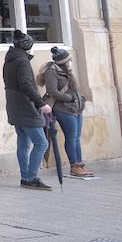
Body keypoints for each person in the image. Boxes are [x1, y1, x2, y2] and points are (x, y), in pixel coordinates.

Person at [3, 31, 53, 190]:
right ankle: (30, 177)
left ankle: (26, 177)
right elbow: (26, 85)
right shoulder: (22, 61)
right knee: (41, 143)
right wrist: (40, 103)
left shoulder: (10, 60)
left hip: (14, 105)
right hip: (25, 106)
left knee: (24, 142)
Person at [39, 46, 94, 179]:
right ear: (62, 61)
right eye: (69, 60)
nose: (70, 62)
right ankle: (74, 166)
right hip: (64, 109)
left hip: (76, 108)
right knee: (71, 137)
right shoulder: (51, 72)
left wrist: (81, 99)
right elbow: (53, 91)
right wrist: (70, 98)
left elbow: (74, 89)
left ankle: (79, 164)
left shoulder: (67, 71)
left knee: (76, 137)